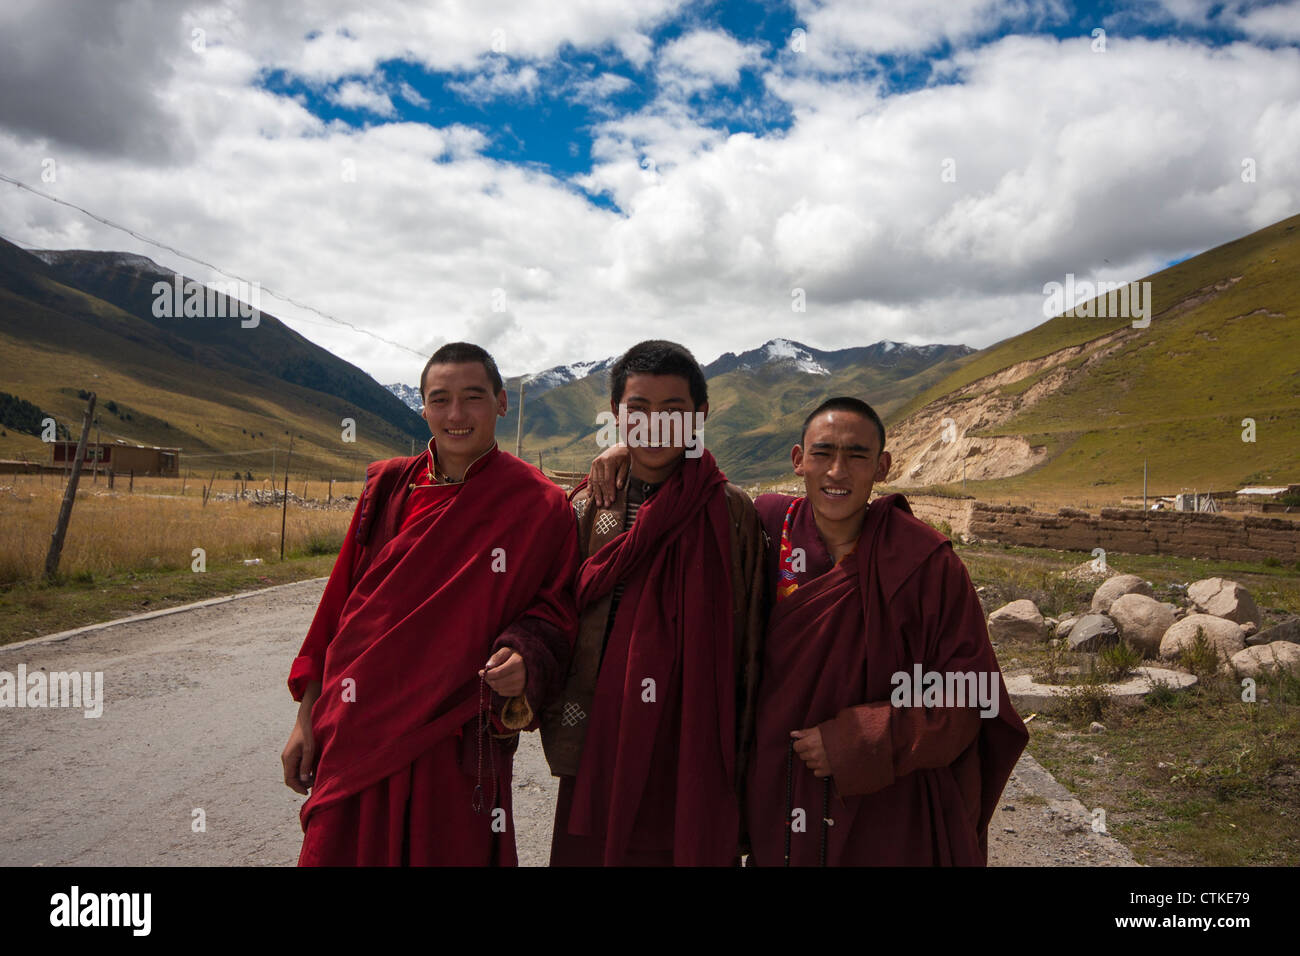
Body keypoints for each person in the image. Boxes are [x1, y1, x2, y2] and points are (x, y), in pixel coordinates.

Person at [587, 395, 1027, 865]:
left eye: (857, 456)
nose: (838, 471)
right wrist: (631, 457)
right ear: (799, 461)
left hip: (889, 801)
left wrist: (860, 740)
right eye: (823, 453)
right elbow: (695, 496)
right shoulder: (767, 525)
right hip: (779, 789)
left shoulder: (925, 563)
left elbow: (968, 695)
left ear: (882, 467)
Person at [280, 342, 578, 866]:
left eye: (473, 398)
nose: (456, 415)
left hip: (454, 737)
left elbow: (555, 612)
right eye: (440, 400)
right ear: (423, 407)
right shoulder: (391, 489)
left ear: (502, 402)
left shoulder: (540, 505)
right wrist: (306, 716)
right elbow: (339, 609)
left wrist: (526, 659)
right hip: (354, 721)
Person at [540, 340, 766, 866]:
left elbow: (753, 639)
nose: (654, 427)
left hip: (692, 738)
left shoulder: (732, 514)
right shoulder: (588, 505)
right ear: (616, 415)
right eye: (637, 410)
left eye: (673, 411)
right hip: (602, 731)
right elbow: (550, 609)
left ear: (700, 417)